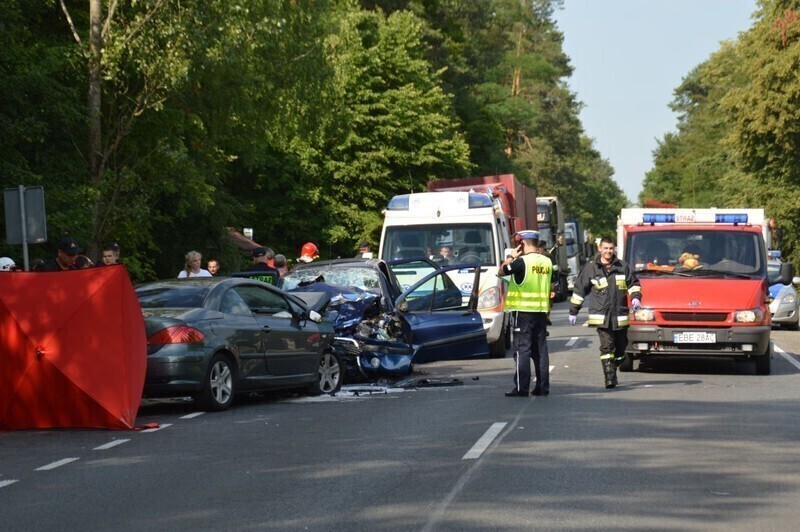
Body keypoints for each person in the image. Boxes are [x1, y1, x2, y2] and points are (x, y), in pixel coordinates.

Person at [568, 236, 641, 389]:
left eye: (610, 248)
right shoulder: (591, 268)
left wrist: (635, 297)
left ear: (613, 249)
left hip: (620, 316)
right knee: (607, 346)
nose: (608, 251)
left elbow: (633, 284)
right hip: (601, 317)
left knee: (621, 347)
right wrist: (574, 310)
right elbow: (580, 290)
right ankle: (610, 377)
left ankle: (616, 362)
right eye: (605, 248)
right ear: (600, 249)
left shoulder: (623, 266)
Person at [500, 229, 553, 397]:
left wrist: (511, 256)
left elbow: (502, 271)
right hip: (541, 311)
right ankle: (542, 387)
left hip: (523, 313)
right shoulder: (547, 262)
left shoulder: (521, 262)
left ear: (522, 244)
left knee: (522, 350)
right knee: (541, 351)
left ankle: (521, 388)